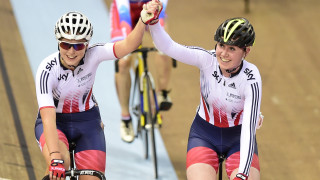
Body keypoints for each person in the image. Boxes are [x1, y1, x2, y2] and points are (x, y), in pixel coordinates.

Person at [34, 5, 161, 180]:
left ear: (87, 45)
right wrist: (55, 156)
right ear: (58, 42)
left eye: (78, 46)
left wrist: (141, 21)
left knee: (93, 177)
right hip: (56, 122)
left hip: (87, 121)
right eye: (66, 44)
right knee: (60, 166)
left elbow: (128, 45)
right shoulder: (47, 70)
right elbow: (48, 117)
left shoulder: (95, 53)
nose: (72, 51)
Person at [143, 2, 262, 179]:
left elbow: (248, 129)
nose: (223, 53)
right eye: (221, 45)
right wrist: (154, 24)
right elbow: (169, 47)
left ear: (246, 51)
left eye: (232, 49)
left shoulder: (251, 77)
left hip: (238, 139)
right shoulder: (207, 59)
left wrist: (243, 174)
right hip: (204, 135)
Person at [110, 0, 172, 143]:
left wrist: (162, 43)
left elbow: (160, 11)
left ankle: (162, 93)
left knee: (165, 47)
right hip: (125, 13)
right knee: (123, 62)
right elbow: (124, 17)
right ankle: (125, 118)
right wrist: (126, 47)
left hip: (151, 8)